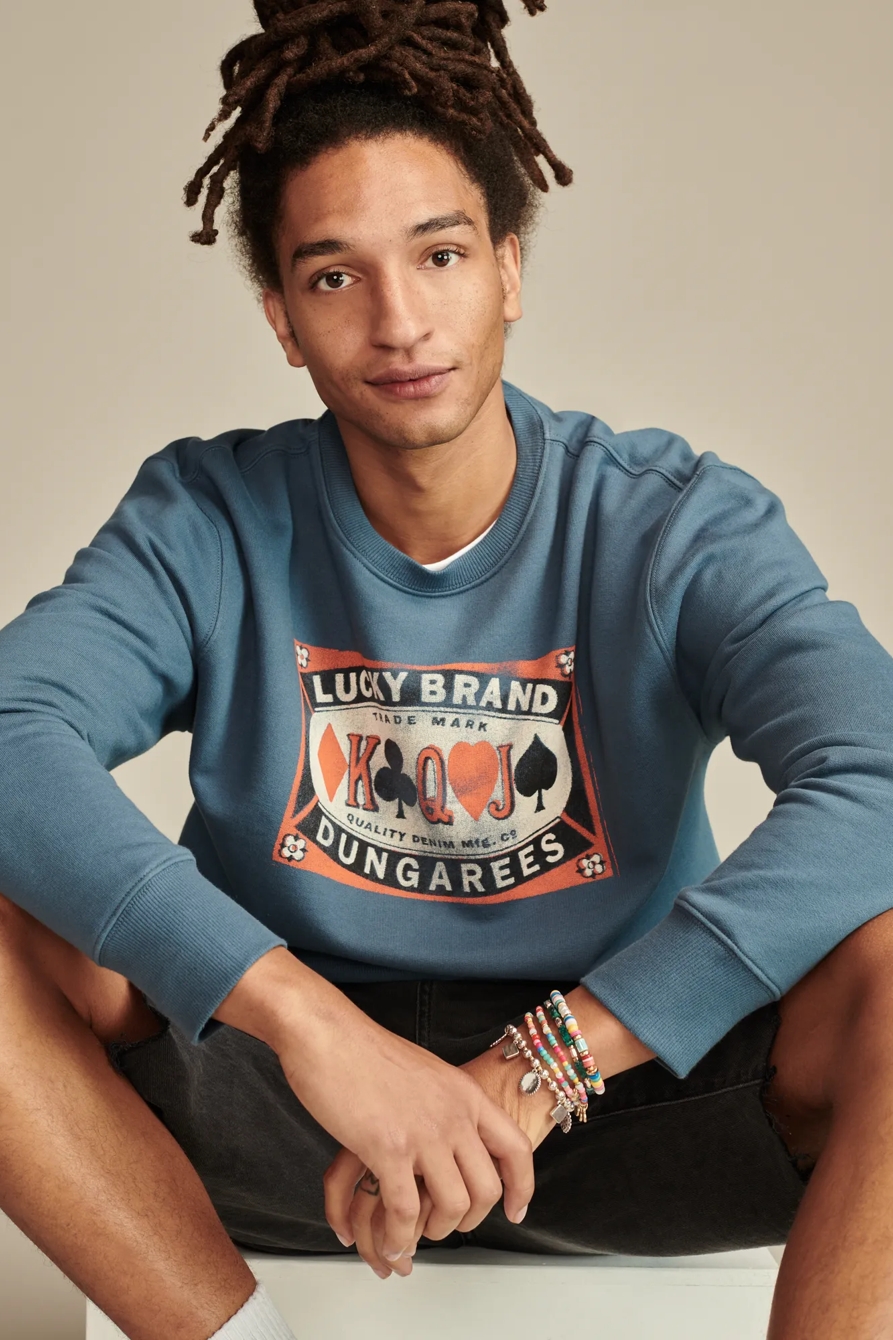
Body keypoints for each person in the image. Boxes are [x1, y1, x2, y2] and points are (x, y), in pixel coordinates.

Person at [0, 2, 892, 1338]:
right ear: (281, 319)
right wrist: (312, 1028)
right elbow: (11, 729)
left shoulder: (669, 527)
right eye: (334, 277)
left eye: (440, 254)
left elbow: (879, 774)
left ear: (509, 270)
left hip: (615, 1097)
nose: (400, 320)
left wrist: (542, 1063)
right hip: (283, 1115)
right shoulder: (207, 521)